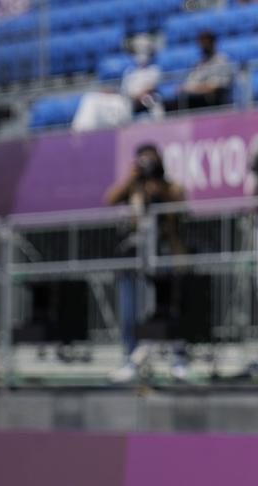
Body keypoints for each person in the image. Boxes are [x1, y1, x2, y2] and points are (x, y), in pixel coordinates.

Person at [104, 143, 187, 381]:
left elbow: (182, 206)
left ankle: (177, 359)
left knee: (169, 309)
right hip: (135, 259)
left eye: (152, 161)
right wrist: (131, 178)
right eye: (143, 161)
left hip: (165, 256)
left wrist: (160, 191)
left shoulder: (170, 186)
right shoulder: (135, 187)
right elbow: (109, 198)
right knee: (130, 312)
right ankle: (130, 359)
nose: (148, 165)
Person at [168, 31, 233, 111]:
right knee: (169, 104)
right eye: (201, 43)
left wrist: (193, 89)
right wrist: (185, 88)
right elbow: (189, 83)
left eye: (205, 42)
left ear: (213, 43)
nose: (203, 46)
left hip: (213, 100)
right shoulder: (199, 63)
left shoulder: (221, 60)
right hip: (195, 97)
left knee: (175, 105)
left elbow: (213, 86)